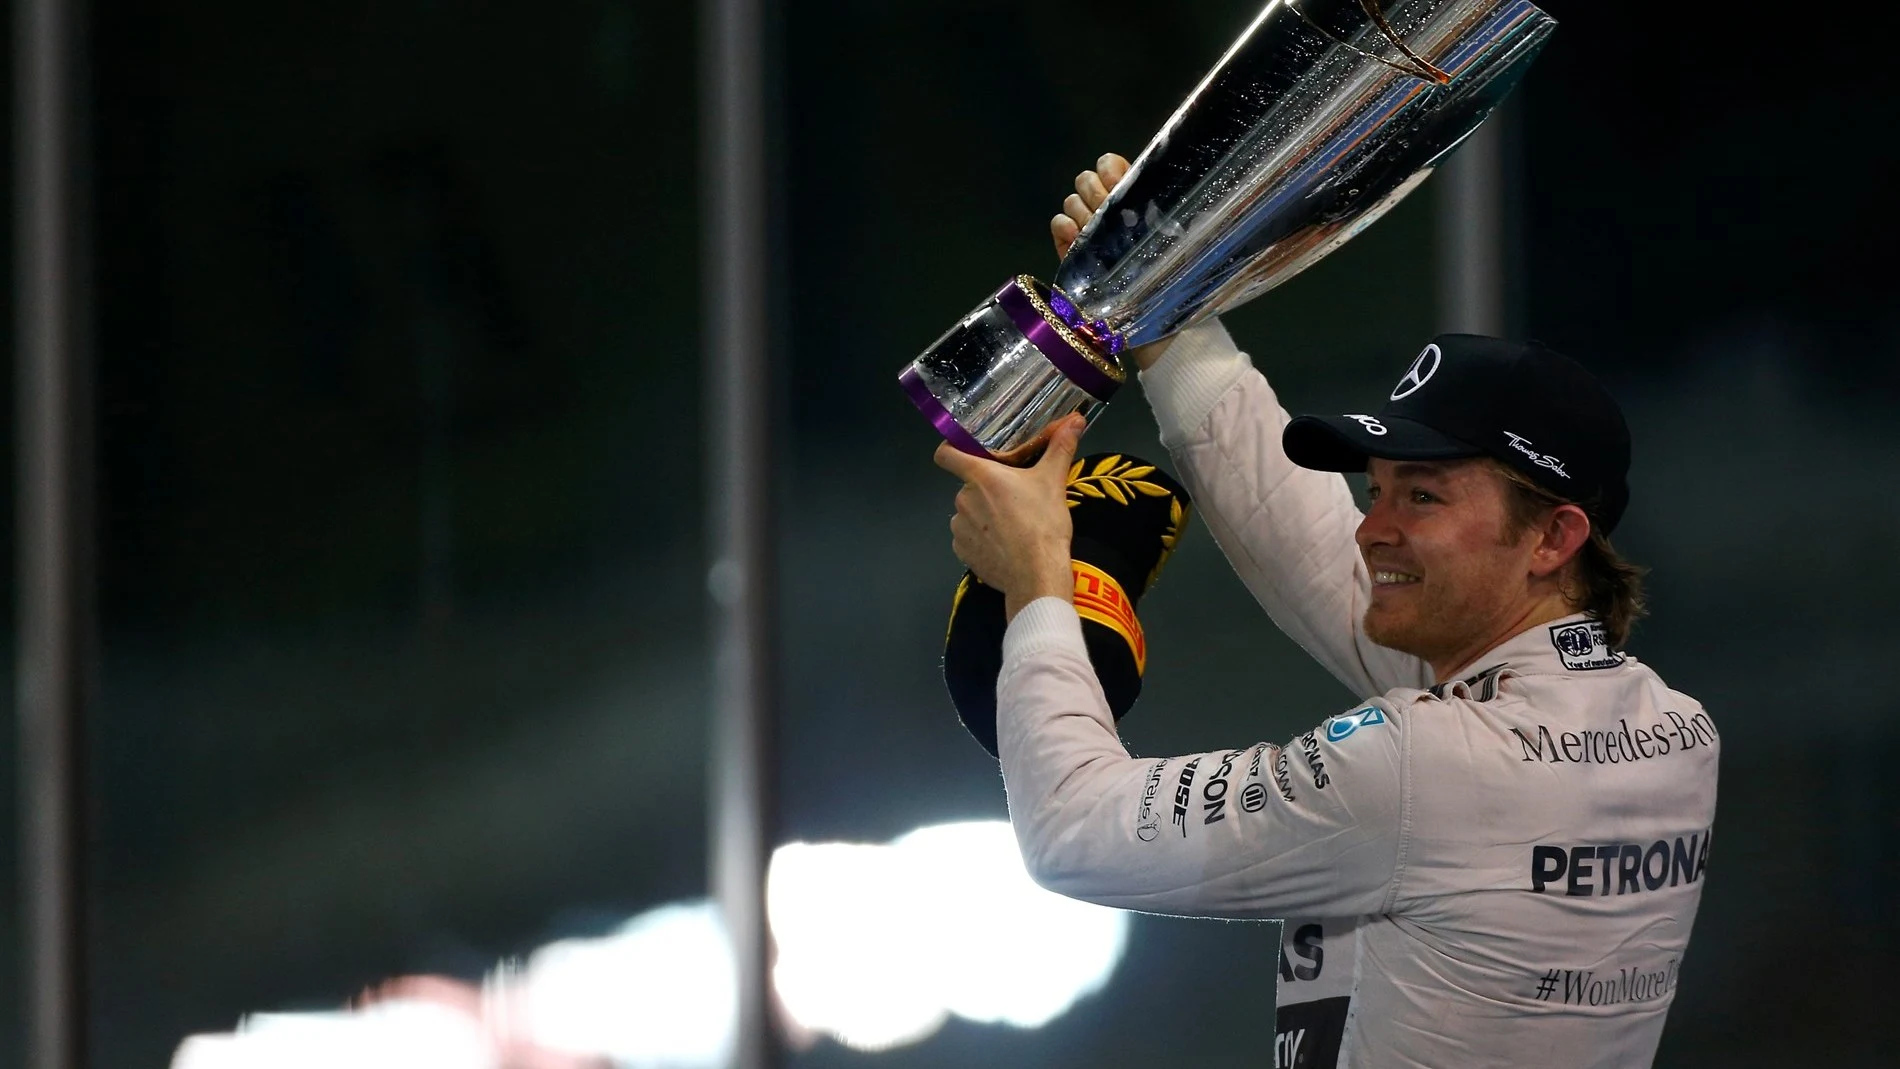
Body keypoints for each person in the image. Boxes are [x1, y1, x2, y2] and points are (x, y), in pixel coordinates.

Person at [932, 153, 1719, 1068]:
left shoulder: (1426, 767)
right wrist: (1164, 319)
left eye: (1422, 497)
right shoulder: (1669, 730)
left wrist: (1037, 570)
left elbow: (1076, 828)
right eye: (1375, 490)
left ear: (1552, 536)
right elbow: (1316, 554)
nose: (1371, 530)